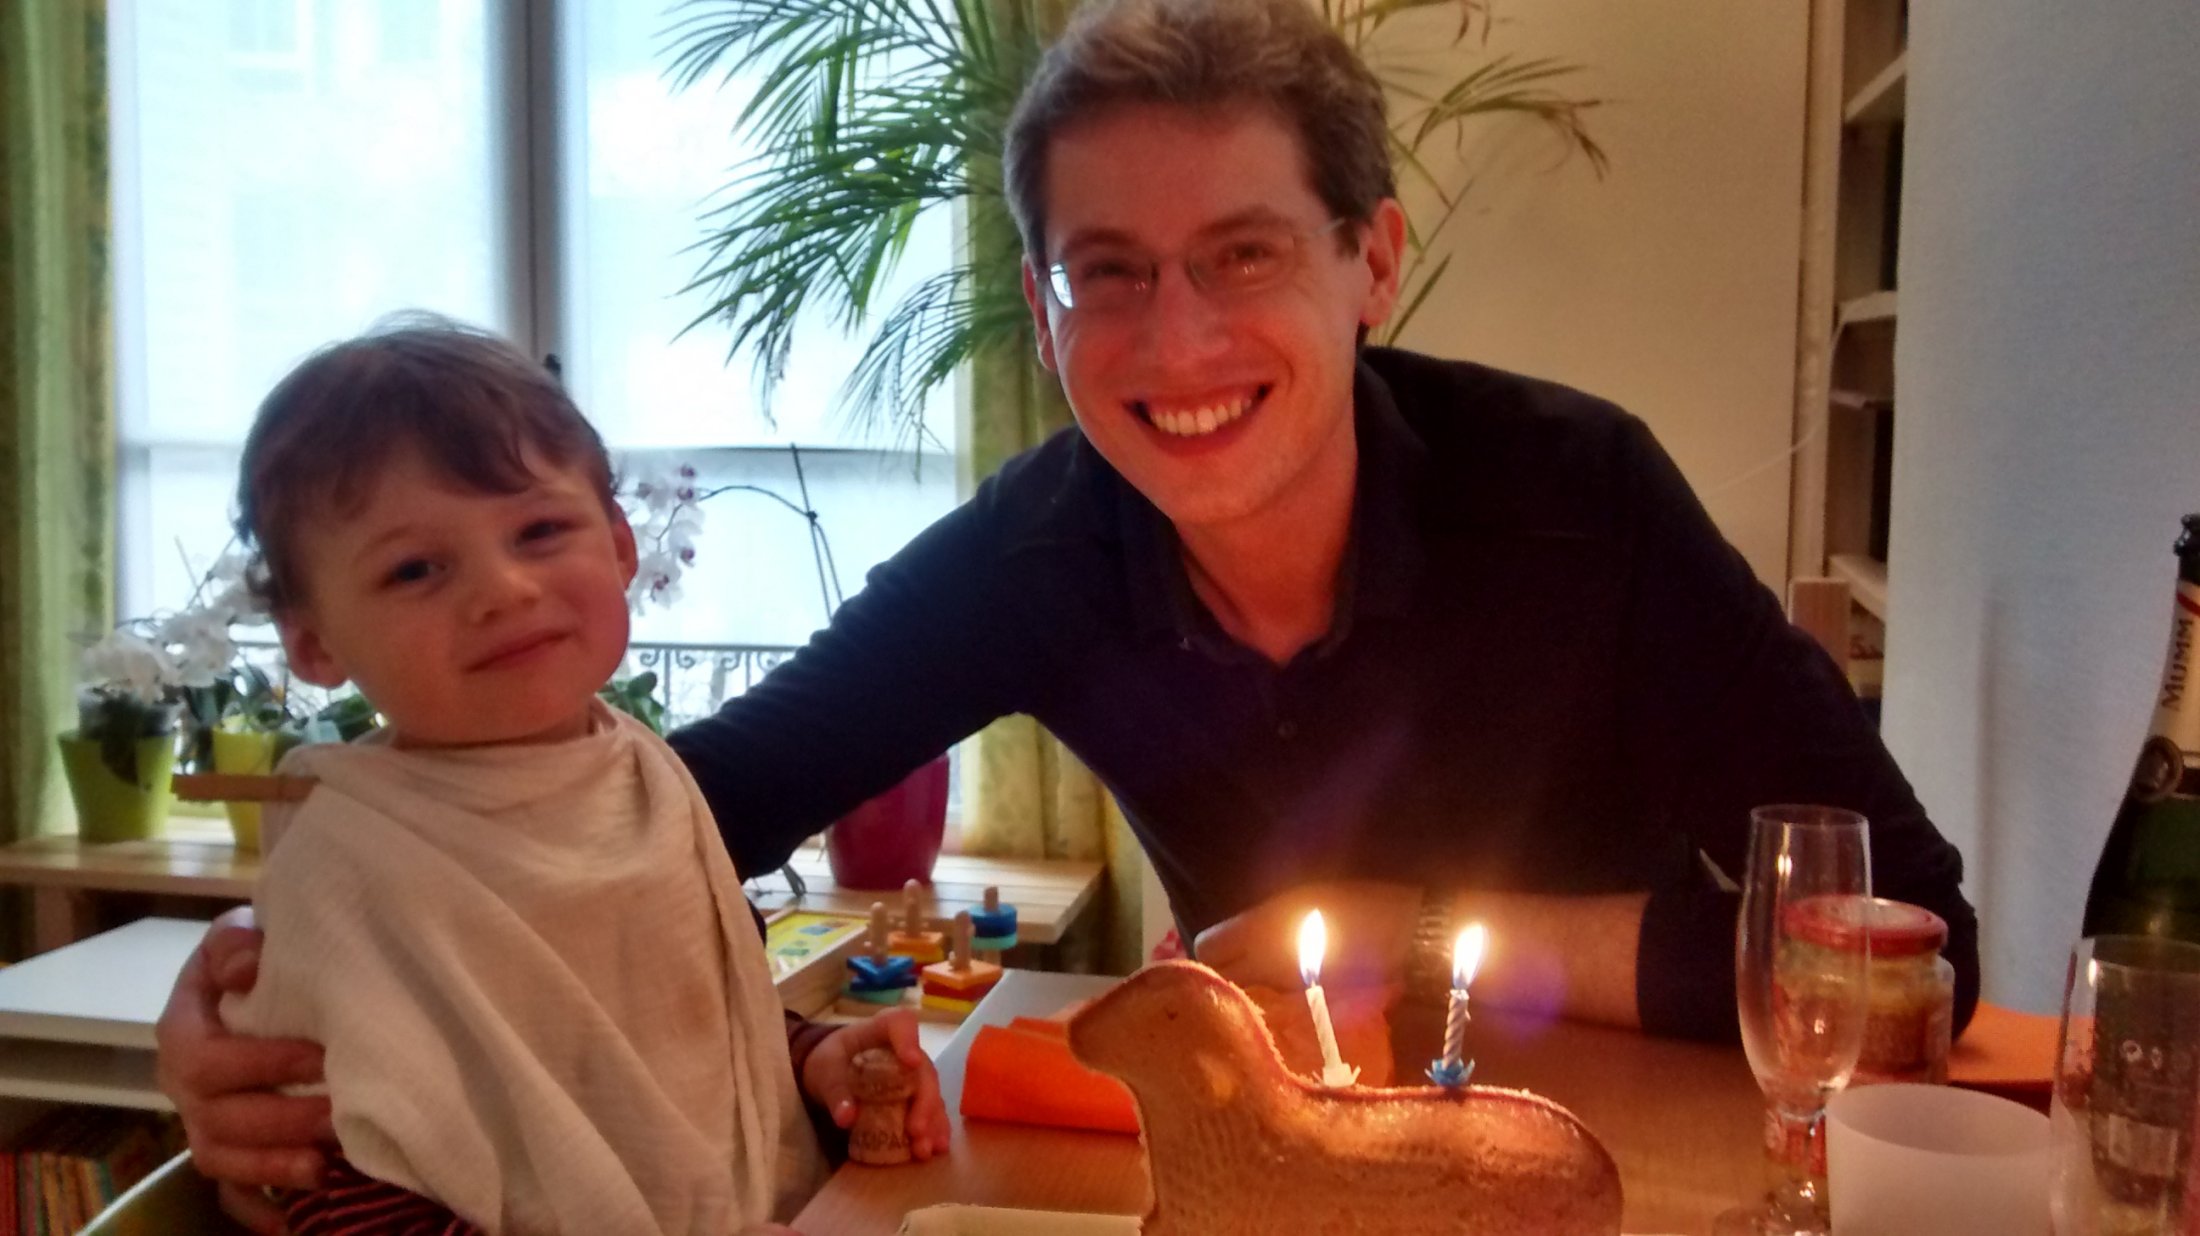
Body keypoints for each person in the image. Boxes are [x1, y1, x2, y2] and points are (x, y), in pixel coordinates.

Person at [161, 0, 1978, 1207]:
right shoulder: (1039, 555)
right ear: (1044, 314)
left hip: (1634, 1159)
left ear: (1370, 260)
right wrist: (292, 971)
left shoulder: (1574, 498)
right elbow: (668, 816)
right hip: (1282, 1173)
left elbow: (1911, 948)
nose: (1176, 345)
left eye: (1243, 254)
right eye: (1109, 274)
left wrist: (1404, 924)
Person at [177, 320, 946, 1234]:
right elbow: (336, 1181)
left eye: (539, 530)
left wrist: (813, 1061)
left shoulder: (650, 780)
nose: (503, 589)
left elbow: (677, 1035)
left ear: (620, 546)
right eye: (415, 568)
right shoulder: (349, 867)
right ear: (311, 642)